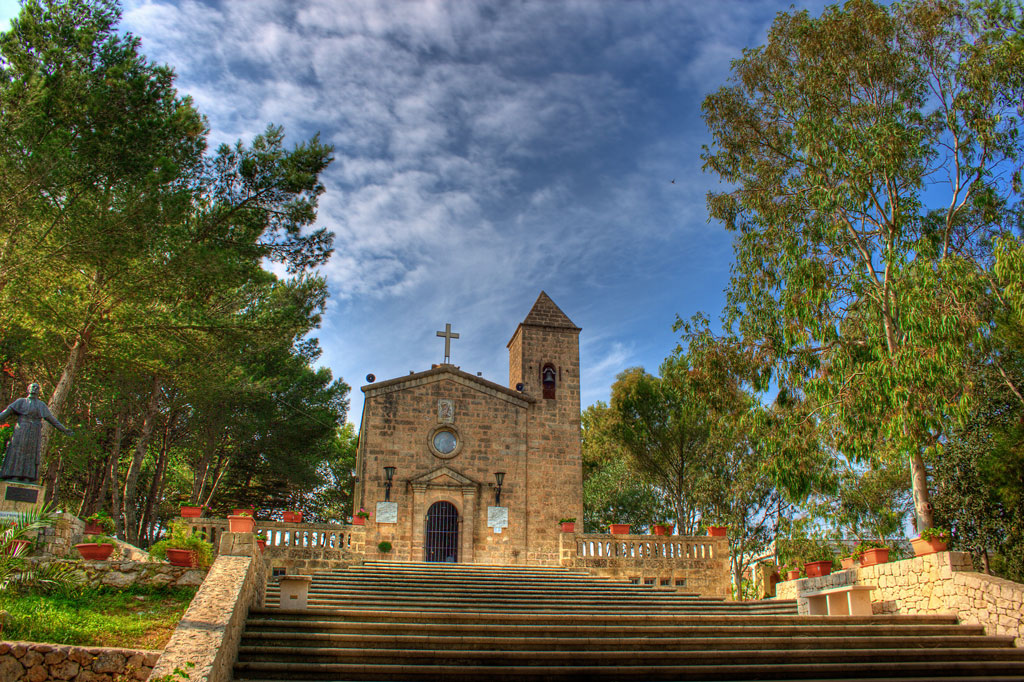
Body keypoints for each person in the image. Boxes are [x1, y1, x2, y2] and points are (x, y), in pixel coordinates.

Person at [0, 383, 73, 484]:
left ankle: (28, 477)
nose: (35, 388)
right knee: (18, 451)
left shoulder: (41, 405)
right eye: (32, 387)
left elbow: (52, 420)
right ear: (28, 389)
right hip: (21, 430)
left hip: (34, 432)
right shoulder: (21, 402)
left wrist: (64, 429)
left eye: (37, 387)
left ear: (39, 391)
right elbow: (6, 412)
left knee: (31, 453)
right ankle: (14, 475)